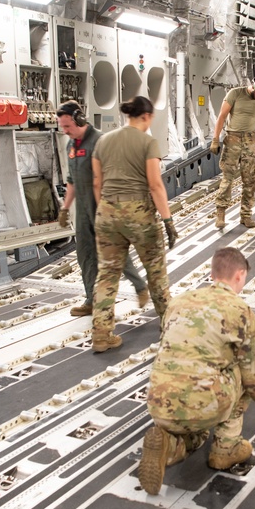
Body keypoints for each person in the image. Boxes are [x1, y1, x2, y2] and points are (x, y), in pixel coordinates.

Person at [138, 247, 255, 495]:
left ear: (213, 272)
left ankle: (171, 445)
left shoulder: (178, 302)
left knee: (196, 399)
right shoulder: (240, 311)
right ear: (240, 275)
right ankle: (225, 449)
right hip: (205, 403)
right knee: (241, 374)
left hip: (158, 402)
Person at [91, 96, 178, 353]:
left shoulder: (103, 141)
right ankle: (169, 325)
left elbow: (96, 183)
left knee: (107, 274)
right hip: (139, 215)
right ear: (146, 116)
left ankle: (101, 335)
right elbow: (155, 185)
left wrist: (106, 210)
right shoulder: (148, 143)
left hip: (106, 213)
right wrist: (168, 220)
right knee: (156, 271)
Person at [56, 101, 150, 316]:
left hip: (105, 206)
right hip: (83, 209)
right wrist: (65, 207)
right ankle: (91, 299)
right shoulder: (71, 146)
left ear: (79, 119)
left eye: (68, 126)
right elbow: (71, 179)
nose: (65, 131)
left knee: (114, 252)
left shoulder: (101, 142)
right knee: (85, 254)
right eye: (62, 127)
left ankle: (140, 287)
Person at [210, 76, 255, 230]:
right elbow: (222, 116)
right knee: (227, 178)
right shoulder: (235, 93)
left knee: (250, 179)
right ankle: (220, 214)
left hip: (250, 140)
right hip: (232, 139)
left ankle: (246, 215)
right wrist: (215, 139)